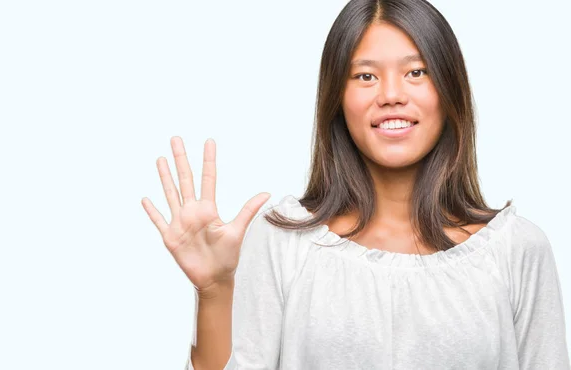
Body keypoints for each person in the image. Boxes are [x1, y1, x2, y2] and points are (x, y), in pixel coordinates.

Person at [141, 0, 570, 368]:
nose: (391, 94)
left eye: (416, 72)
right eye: (365, 76)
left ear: (449, 89)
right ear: (338, 98)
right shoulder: (284, 241)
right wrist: (214, 289)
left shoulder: (517, 249)